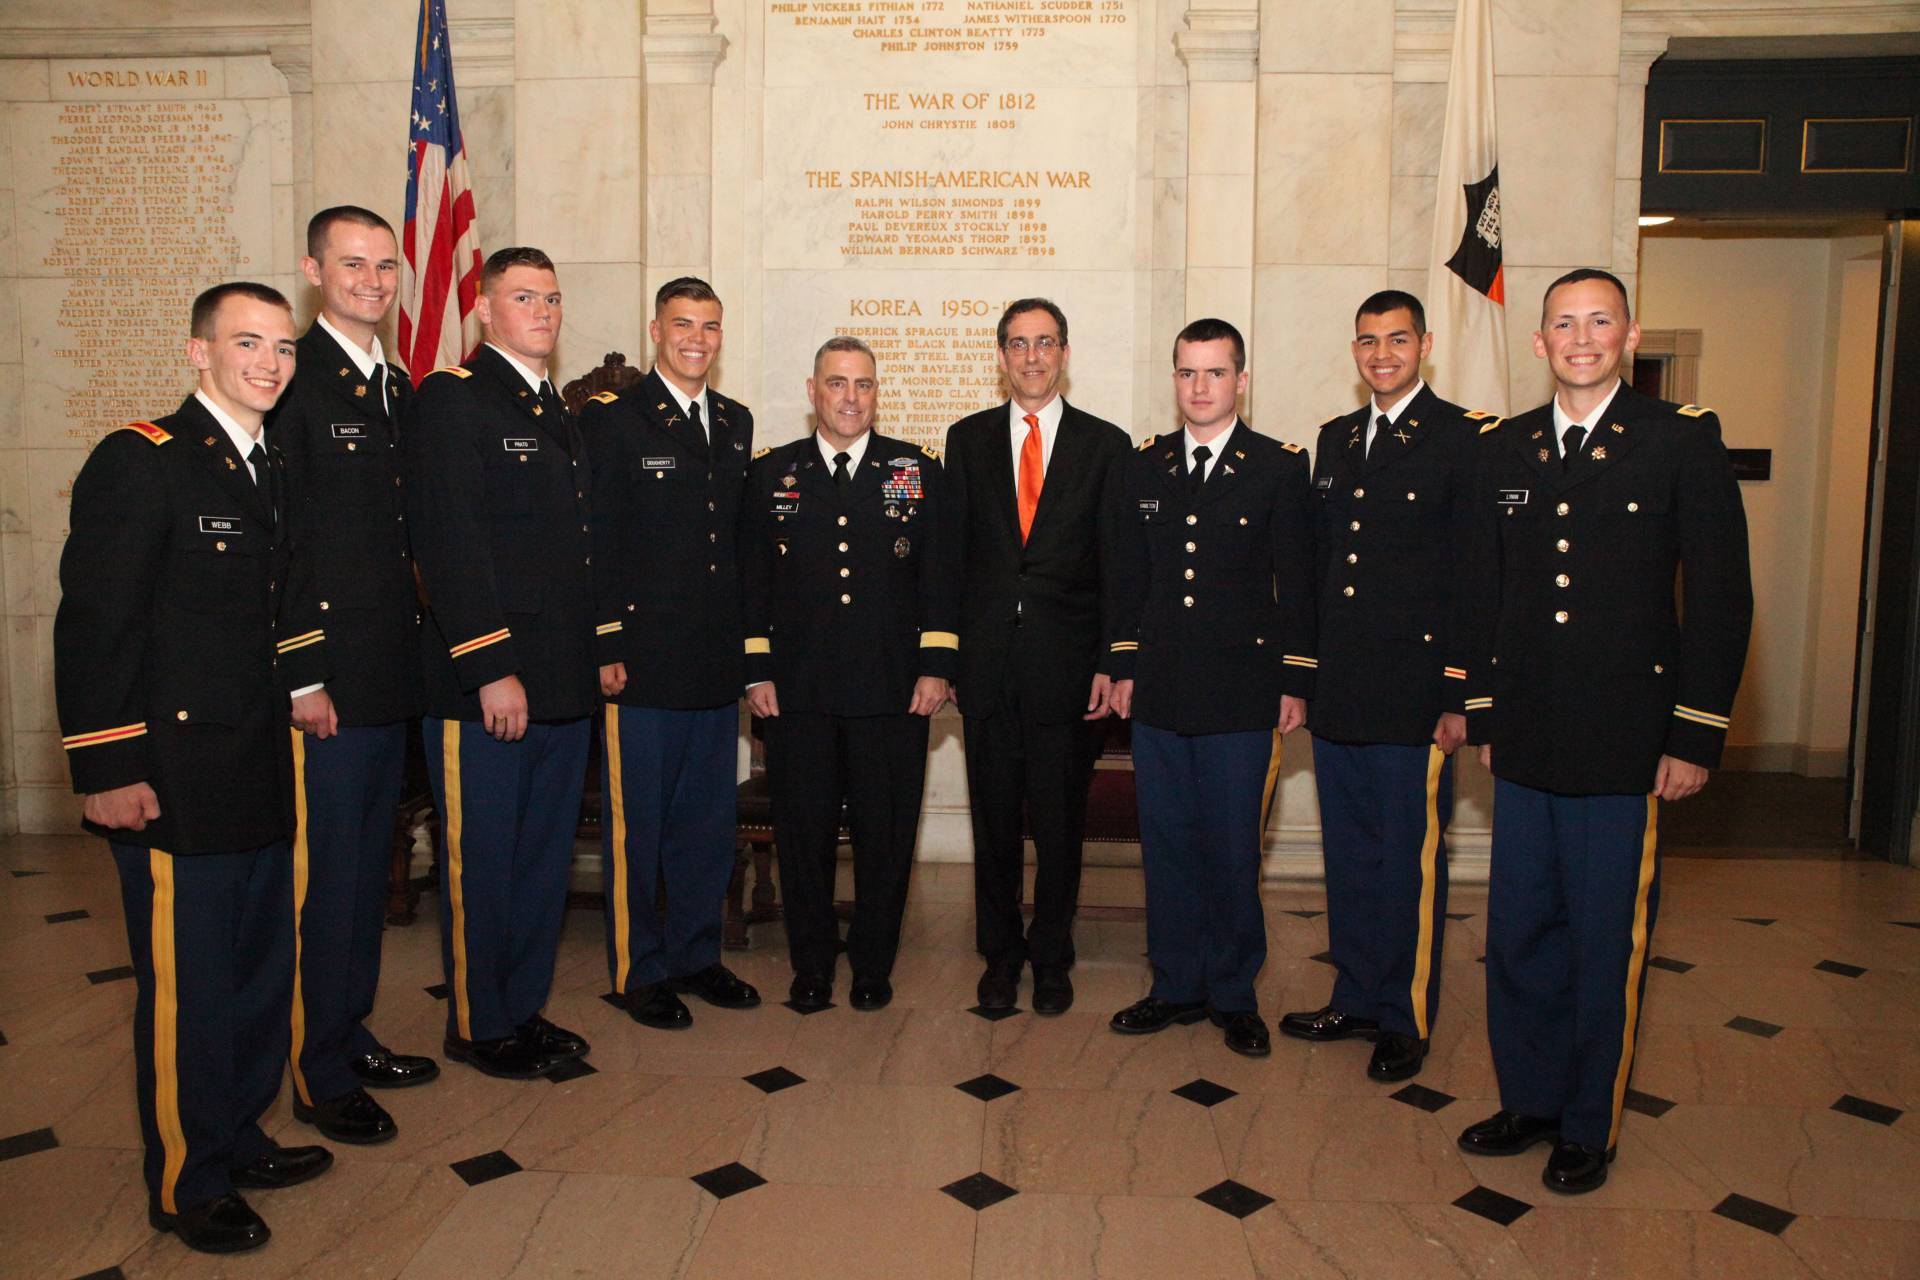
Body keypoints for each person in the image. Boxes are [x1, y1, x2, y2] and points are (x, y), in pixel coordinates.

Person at [1452, 268, 1752, 1194]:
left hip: (1628, 741)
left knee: (1603, 938)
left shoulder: (1679, 442)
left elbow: (1721, 599)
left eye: (1599, 322)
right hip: (1530, 737)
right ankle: (1530, 1099)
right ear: (1538, 343)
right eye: (1563, 324)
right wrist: (1488, 713)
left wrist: (1695, 736)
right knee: (1522, 933)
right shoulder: (1506, 450)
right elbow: (1486, 592)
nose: (1581, 338)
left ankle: (1589, 1122)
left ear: (1628, 334)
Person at [55, 282, 331, 1254]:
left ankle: (239, 1131)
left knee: (257, 970)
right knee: (190, 985)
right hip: (173, 777)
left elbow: (278, 596)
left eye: (282, 346)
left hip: (256, 758)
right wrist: (107, 766)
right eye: (246, 342)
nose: (269, 361)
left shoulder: (265, 462)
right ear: (197, 353)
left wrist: (305, 685)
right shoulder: (142, 462)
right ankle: (186, 1175)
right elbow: (97, 623)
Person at [1280, 290, 1487, 1082]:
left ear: (1424, 344)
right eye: (1368, 341)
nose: (1382, 355)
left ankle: (1406, 1015)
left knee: (1408, 861)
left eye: (1397, 340)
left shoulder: (1462, 440)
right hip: (1342, 690)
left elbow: (1476, 574)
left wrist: (1456, 691)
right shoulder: (1335, 441)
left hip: (1414, 695)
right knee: (1352, 855)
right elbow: (1318, 570)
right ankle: (1357, 995)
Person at [404, 246, 596, 1080]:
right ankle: (479, 1025)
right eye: (524, 298)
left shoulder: (555, 407)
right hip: (488, 684)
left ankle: (522, 1007)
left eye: (552, 299)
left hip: (558, 679)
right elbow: (450, 544)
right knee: (483, 861)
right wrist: (489, 666)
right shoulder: (454, 400)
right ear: (485, 309)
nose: (543, 312)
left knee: (539, 862)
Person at [269, 206, 436, 1148]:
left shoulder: (394, 384)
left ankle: (347, 1029)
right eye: (352, 263)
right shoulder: (294, 381)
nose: (372, 280)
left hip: (386, 677)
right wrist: (300, 676)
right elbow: (283, 543)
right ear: (313, 268)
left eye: (385, 265)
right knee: (324, 880)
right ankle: (315, 1069)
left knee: (366, 872)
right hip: (327, 686)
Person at [1104, 318, 1316, 1058]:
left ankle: (1233, 992)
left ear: (1241, 380)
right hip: (1161, 688)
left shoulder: (1279, 467)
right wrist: (1124, 665)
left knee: (1230, 850)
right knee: (1166, 845)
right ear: (1174, 380)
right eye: (1188, 374)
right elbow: (1131, 576)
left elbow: (1298, 582)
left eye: (1215, 373)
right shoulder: (1146, 465)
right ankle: (1174, 984)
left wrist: (1295, 679)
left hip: (1241, 693)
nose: (1200, 388)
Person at [741, 337, 955, 1011]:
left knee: (883, 836)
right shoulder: (772, 472)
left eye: (862, 385)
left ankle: (870, 964)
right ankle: (810, 965)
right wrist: (755, 670)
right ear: (813, 391)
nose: (850, 398)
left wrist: (937, 666)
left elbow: (941, 579)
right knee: (802, 834)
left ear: (876, 392)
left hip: (892, 690)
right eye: (837, 384)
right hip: (797, 692)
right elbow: (753, 584)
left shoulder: (915, 470)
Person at [939, 299, 1131, 1014]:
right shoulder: (967, 440)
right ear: (1000, 356)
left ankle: (1052, 956)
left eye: (1044, 343)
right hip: (986, 671)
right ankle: (1000, 957)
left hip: (1069, 673)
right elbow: (949, 561)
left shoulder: (1105, 446)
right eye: (1018, 344)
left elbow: (1119, 564)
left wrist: (1114, 661)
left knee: (1058, 826)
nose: (1031, 357)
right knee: (992, 825)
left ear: (1065, 352)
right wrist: (948, 658)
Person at [579, 277, 759, 1029]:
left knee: (704, 823)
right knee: (639, 827)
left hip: (713, 661)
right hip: (643, 660)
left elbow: (738, 545)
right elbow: (593, 537)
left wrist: (752, 654)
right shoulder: (613, 420)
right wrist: (606, 639)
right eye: (683, 324)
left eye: (710, 326)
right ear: (656, 330)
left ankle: (696, 954)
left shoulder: (736, 420)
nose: (697, 338)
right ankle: (636, 967)